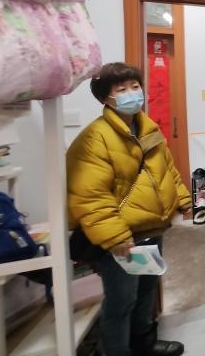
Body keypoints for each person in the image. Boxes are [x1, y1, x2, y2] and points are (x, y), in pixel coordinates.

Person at [66, 62, 188, 356]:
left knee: (147, 290)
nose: (132, 93)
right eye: (121, 89)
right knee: (122, 300)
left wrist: (182, 198)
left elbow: (166, 169)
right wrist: (116, 237)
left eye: (135, 86)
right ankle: (117, 350)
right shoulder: (94, 138)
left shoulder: (148, 128)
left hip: (151, 227)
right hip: (123, 237)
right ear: (105, 98)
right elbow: (90, 195)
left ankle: (144, 343)